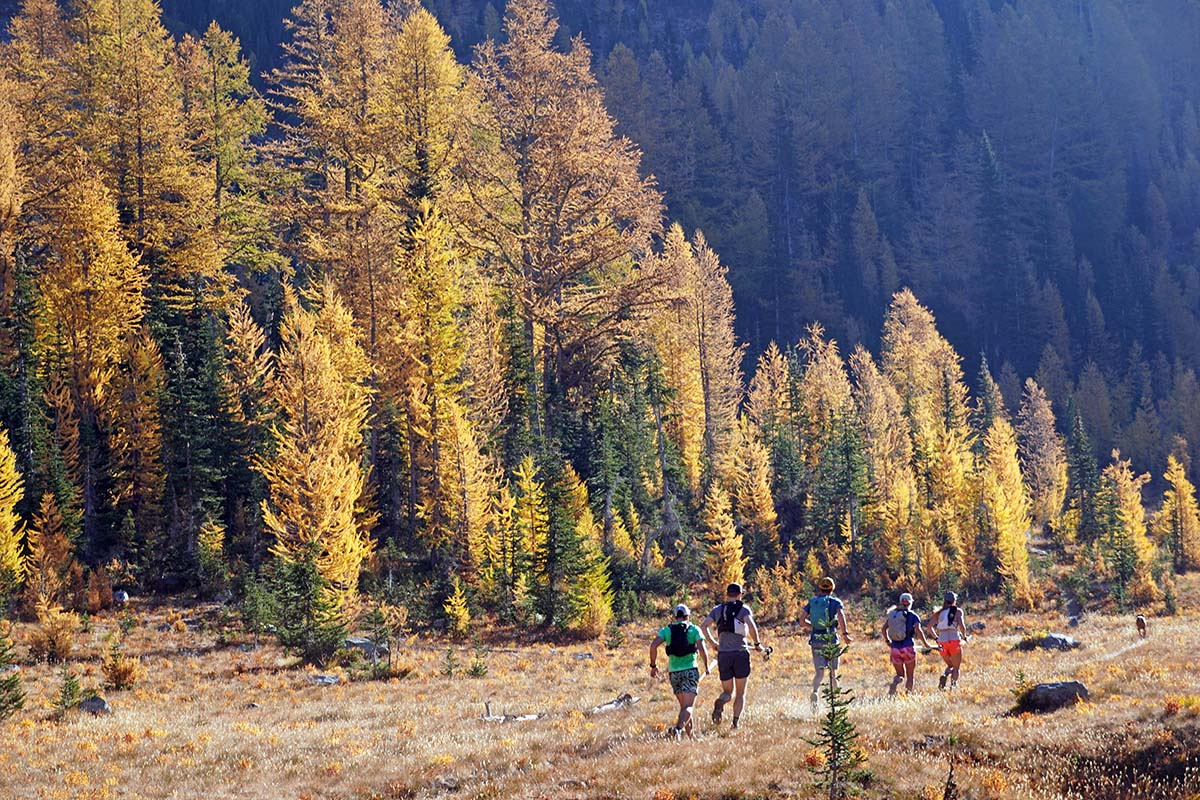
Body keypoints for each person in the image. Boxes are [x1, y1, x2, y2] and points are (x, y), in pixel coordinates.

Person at [700, 583, 766, 729]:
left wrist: (712, 643)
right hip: (741, 654)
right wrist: (757, 644)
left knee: (727, 692)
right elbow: (752, 626)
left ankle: (721, 702)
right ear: (740, 594)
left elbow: (703, 626)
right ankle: (735, 723)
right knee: (740, 693)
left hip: (723, 655)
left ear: (727, 594)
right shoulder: (743, 609)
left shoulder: (717, 610)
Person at [650, 604, 711, 739]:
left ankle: (692, 737)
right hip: (690, 670)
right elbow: (702, 649)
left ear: (675, 617)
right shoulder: (694, 629)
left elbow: (653, 645)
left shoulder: (667, 630)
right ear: (688, 616)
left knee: (684, 707)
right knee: (688, 707)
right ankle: (677, 730)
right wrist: (706, 666)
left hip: (674, 673)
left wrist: (653, 666)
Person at [803, 576, 851, 707]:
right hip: (831, 639)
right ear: (832, 588)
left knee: (819, 672)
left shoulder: (813, 602)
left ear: (820, 588)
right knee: (833, 672)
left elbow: (801, 620)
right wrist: (845, 634)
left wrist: (813, 626)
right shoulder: (834, 602)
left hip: (816, 640)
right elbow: (841, 616)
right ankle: (836, 700)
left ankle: (815, 691)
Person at [881, 592, 934, 695]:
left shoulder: (893, 614)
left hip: (895, 648)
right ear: (910, 603)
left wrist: (888, 641)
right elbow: (918, 631)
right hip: (908, 647)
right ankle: (908, 695)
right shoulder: (913, 615)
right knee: (910, 675)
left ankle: (896, 682)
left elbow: (884, 629)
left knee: (900, 674)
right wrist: (926, 643)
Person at [926, 591, 969, 690]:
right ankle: (953, 685)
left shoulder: (939, 613)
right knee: (956, 666)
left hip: (942, 640)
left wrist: (936, 638)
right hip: (954, 639)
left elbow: (929, 627)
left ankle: (945, 674)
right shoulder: (957, 611)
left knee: (950, 664)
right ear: (954, 600)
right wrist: (964, 636)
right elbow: (962, 626)